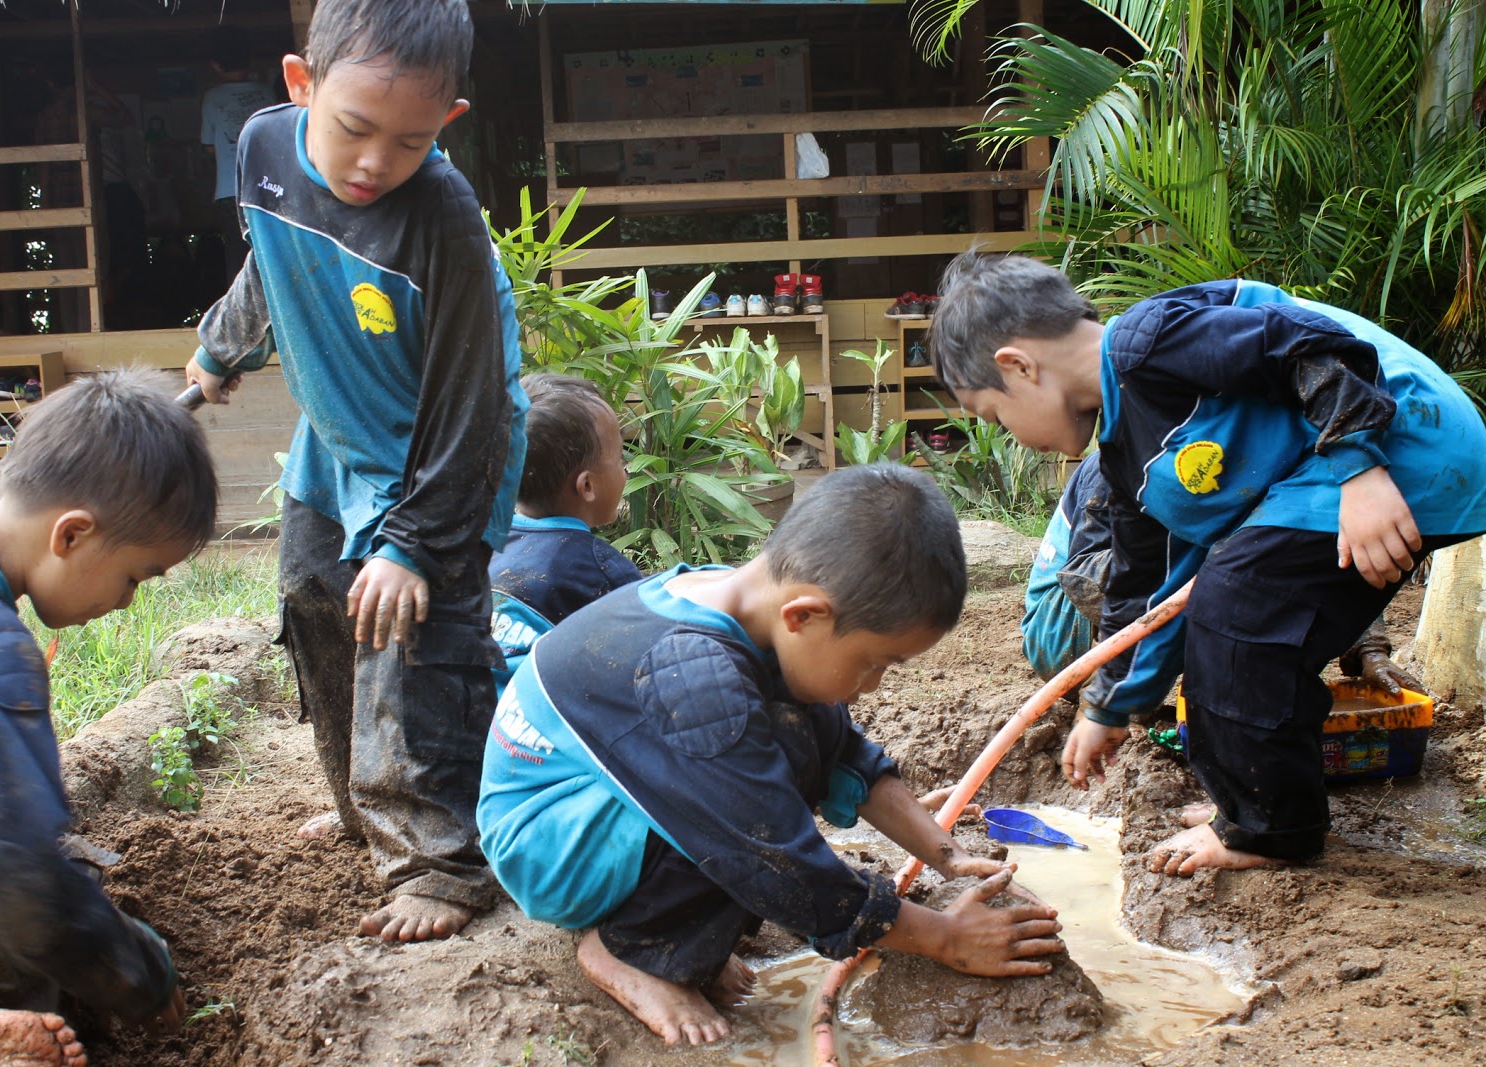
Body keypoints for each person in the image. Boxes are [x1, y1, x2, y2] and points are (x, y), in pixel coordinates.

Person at [930, 253, 1486, 876]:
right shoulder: (1125, 461)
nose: (1008, 434)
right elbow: (1146, 598)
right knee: (1233, 616)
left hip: (1397, 447)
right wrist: (1106, 708)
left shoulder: (1149, 341)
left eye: (994, 416)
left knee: (1233, 610)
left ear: (1019, 366)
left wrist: (1358, 465)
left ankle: (1271, 830)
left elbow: (1312, 348)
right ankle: (1263, 808)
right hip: (1342, 480)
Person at [477, 464, 1064, 1047]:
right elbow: (775, 859)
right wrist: (944, 938)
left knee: (793, 736)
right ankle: (631, 951)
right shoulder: (694, 676)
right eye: (873, 663)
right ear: (803, 615)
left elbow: (842, 751)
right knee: (751, 811)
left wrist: (948, 857)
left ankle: (680, 934)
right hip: (549, 841)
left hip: (605, 808)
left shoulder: (744, 603)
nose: (873, 685)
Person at [183, 0, 529, 945]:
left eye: (412, 141)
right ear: (301, 86)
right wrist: (223, 346)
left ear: (448, 121)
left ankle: (439, 863)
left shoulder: (444, 217)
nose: (376, 162)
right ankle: (359, 805)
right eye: (354, 129)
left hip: (444, 454)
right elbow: (269, 259)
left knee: (411, 638)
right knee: (312, 602)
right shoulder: (262, 149)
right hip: (334, 437)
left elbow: (476, 401)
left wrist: (416, 543)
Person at [0, 368, 212, 1067]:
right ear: (71, 534)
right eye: (136, 576)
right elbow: (21, 886)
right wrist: (139, 972)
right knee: (46, 903)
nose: (127, 602)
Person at [1022, 452, 1419, 696]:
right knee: (1234, 569)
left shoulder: (1268, 450)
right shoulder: (1122, 459)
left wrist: (1370, 651)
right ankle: (1109, 697)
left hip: (1164, 603)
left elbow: (1315, 547)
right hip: (1064, 631)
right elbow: (1082, 577)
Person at [488, 372, 641, 694]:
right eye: (620, 458)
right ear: (587, 486)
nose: (626, 469)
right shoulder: (601, 572)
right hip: (548, 722)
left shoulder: (488, 544)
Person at [200, 28, 276, 280]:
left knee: (236, 251)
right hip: (267, 188)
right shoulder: (266, 93)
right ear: (250, 60)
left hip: (229, 190)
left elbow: (209, 146)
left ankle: (241, 317)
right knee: (268, 252)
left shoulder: (212, 98)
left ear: (215, 65)